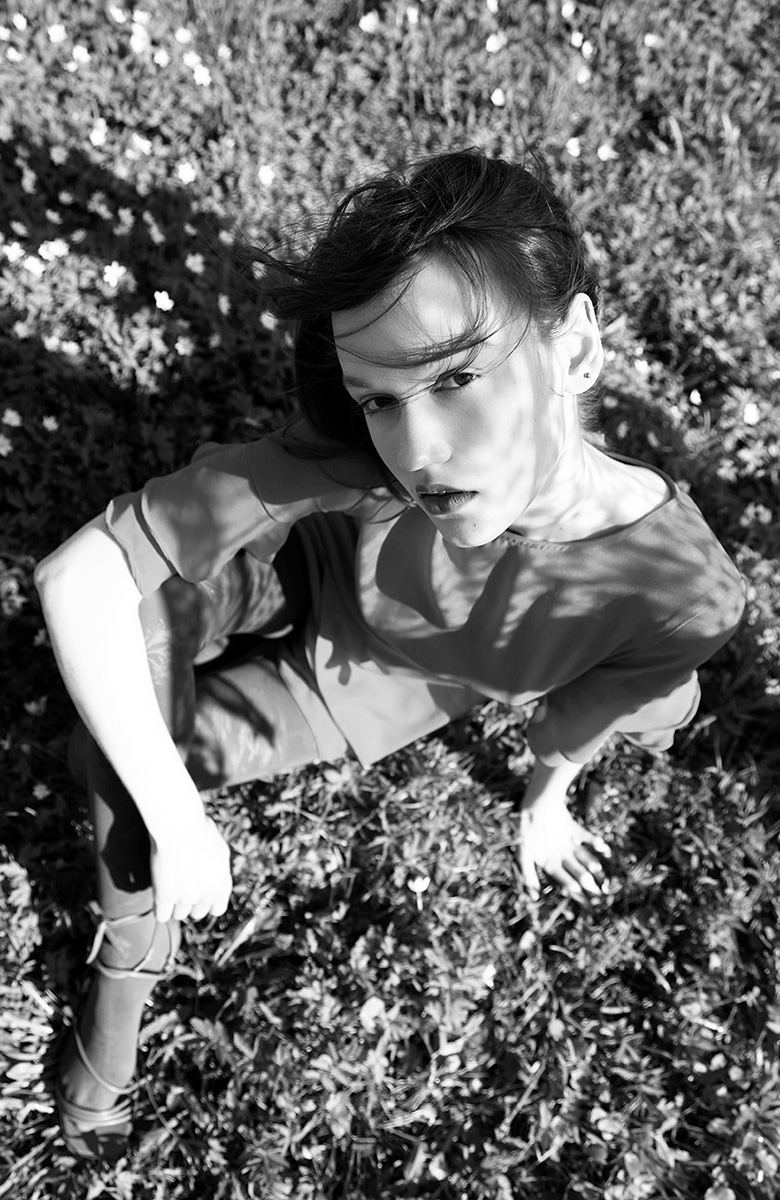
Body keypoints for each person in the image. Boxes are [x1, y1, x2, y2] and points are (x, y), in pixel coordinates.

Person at [35, 148, 745, 1160]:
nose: (416, 450)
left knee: (109, 749)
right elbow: (81, 579)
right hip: (297, 564)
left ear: (577, 349)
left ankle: (121, 959)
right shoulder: (364, 461)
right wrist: (178, 820)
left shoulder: (681, 595)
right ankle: (129, 972)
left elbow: (588, 714)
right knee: (139, 656)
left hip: (371, 688)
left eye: (456, 377)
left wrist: (544, 806)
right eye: (378, 397)